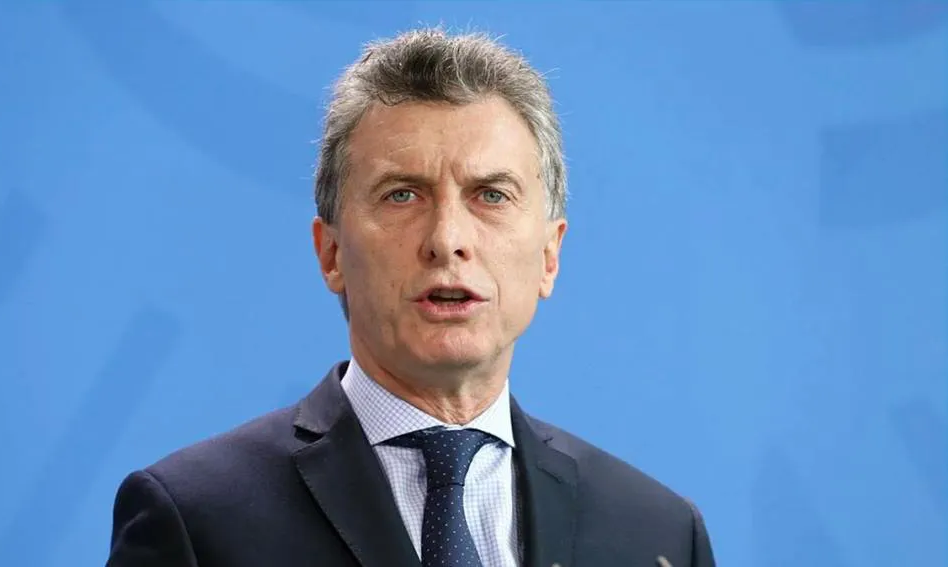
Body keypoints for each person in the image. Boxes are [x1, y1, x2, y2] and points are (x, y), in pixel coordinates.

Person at [106, 27, 716, 567]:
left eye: (491, 195)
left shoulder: (657, 533)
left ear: (549, 256)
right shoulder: (197, 518)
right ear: (332, 253)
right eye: (402, 194)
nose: (447, 240)